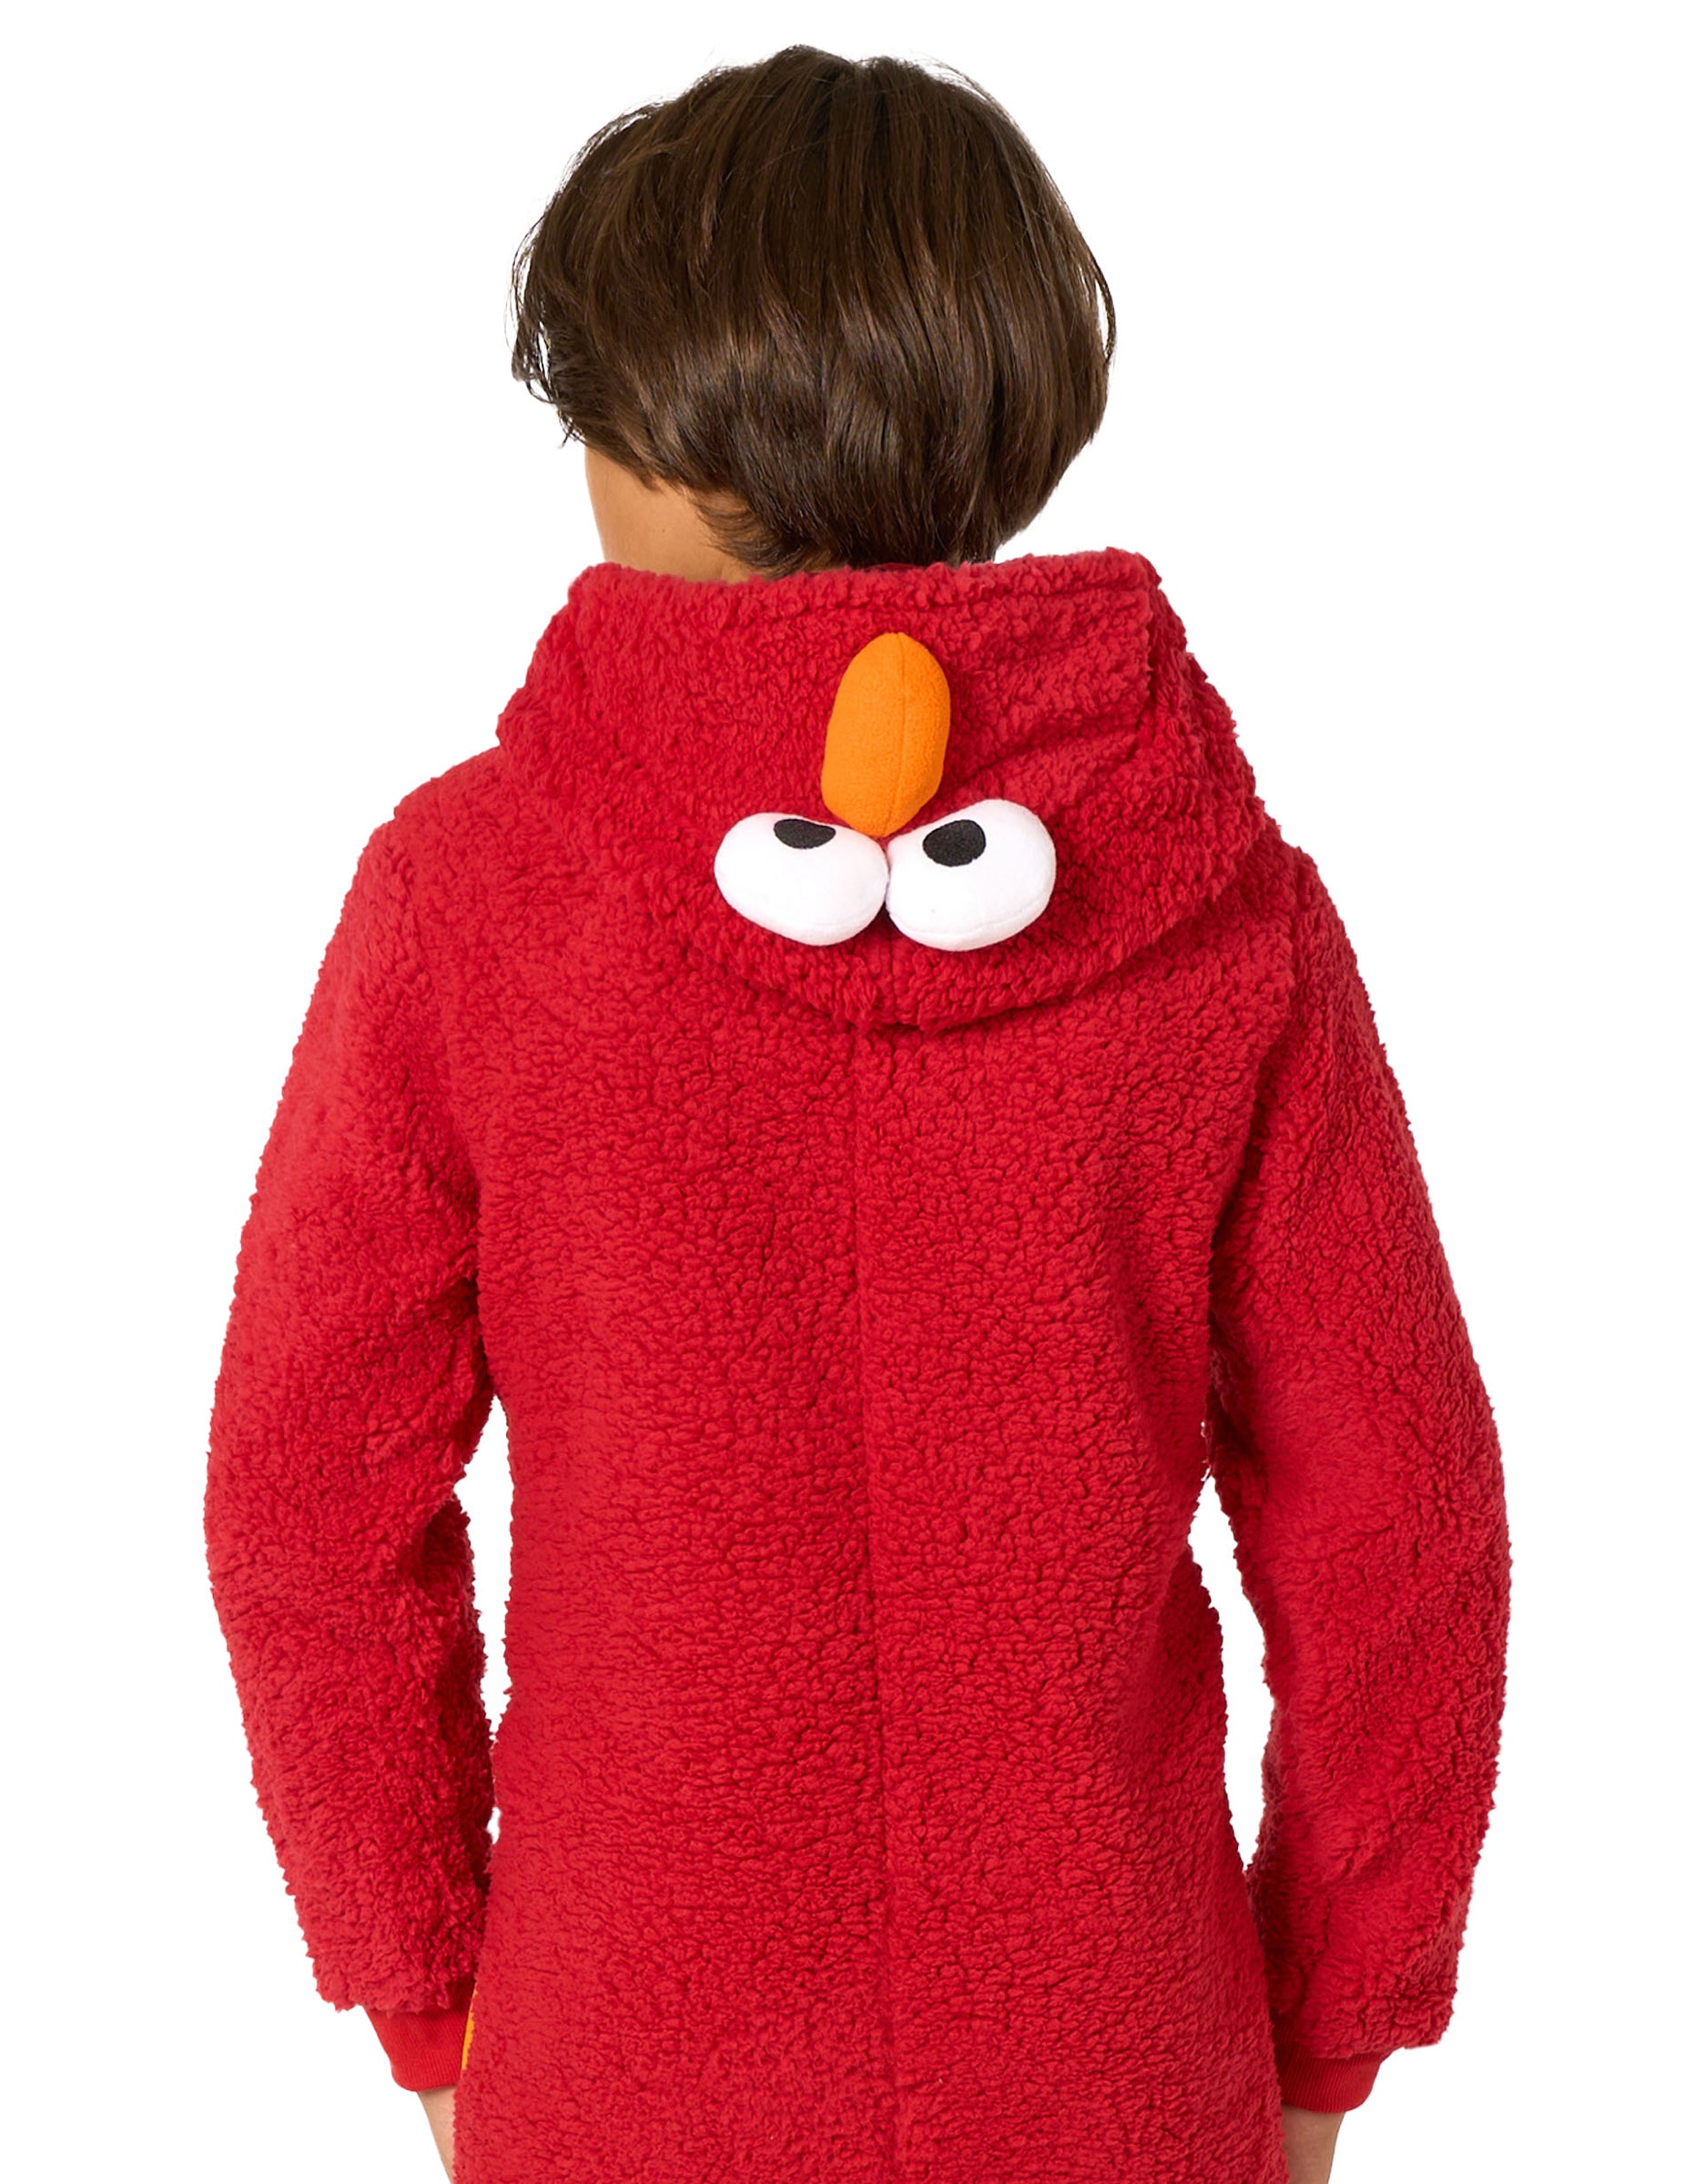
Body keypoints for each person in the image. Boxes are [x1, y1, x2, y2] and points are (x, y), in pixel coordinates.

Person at [204, 46, 1511, 2184]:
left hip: (623, 2066)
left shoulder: (471, 892)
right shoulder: (1226, 908)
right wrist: (1329, 2027)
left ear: (657, 434)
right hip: (1116, 2062)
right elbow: (1402, 1530)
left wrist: (422, 1976)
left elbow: (305, 1498)